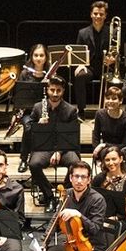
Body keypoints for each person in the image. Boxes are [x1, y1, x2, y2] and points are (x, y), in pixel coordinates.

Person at [27, 159, 108, 251]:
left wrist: (78, 215)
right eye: (76, 176)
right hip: (72, 245)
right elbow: (55, 220)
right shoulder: (67, 194)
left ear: (89, 179)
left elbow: (96, 228)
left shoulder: (97, 200)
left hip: (93, 248)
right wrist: (44, 243)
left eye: (83, 177)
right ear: (70, 178)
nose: (79, 180)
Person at [21, 75, 82, 207]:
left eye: (58, 90)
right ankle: (49, 196)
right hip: (43, 147)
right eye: (52, 90)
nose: (55, 93)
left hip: (65, 148)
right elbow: (28, 130)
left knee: (76, 163)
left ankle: (64, 193)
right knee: (34, 164)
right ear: (47, 90)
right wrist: (38, 123)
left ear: (63, 91)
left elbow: (71, 136)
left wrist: (59, 152)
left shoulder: (71, 110)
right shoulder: (38, 107)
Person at [72, 0, 114, 115]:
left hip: (106, 67)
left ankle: (108, 111)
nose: (98, 16)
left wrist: (113, 59)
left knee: (111, 80)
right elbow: (78, 52)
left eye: (101, 14)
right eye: (95, 14)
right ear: (91, 14)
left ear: (105, 16)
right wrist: (80, 64)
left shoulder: (112, 32)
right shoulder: (83, 33)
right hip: (89, 67)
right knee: (80, 76)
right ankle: (81, 111)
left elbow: (116, 51)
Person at [90, 82, 126, 153]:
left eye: (114, 99)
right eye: (108, 98)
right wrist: (96, 151)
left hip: (121, 151)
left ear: (121, 101)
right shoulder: (100, 114)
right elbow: (95, 136)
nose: (110, 101)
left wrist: (105, 145)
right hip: (104, 150)